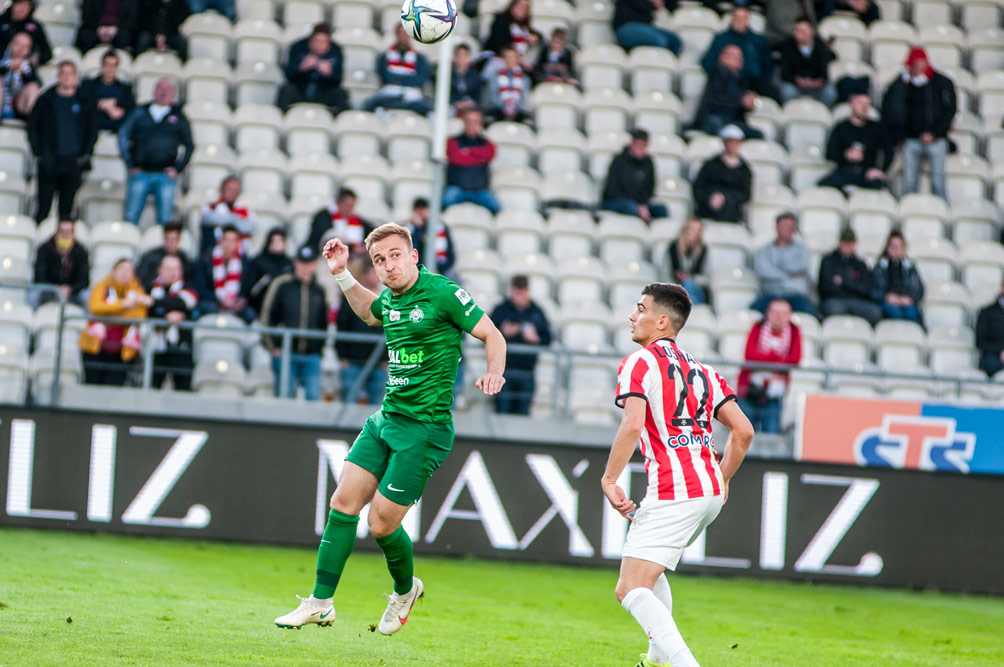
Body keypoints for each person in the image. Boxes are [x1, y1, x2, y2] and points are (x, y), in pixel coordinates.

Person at [273, 223, 506, 634]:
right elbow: (369, 311)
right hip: (386, 419)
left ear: (414, 255)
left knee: (380, 524)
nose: (388, 265)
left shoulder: (443, 293)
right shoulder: (392, 301)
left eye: (395, 255)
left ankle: (405, 590)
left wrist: (494, 373)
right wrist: (342, 273)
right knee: (342, 503)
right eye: (380, 260)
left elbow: (492, 334)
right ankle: (320, 602)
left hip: (425, 430)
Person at [602, 282, 753, 667]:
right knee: (648, 572)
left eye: (640, 309)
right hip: (707, 491)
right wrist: (723, 479)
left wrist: (609, 479)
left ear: (662, 321)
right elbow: (744, 431)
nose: (632, 316)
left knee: (629, 587)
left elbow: (632, 425)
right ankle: (654, 662)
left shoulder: (640, 362)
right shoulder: (704, 371)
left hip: (675, 488)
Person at [880, 47, 956, 201]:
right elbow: (893, 106)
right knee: (909, 184)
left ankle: (943, 213)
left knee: (938, 183)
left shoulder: (942, 83)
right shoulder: (904, 84)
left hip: (936, 140)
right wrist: (901, 80)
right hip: (911, 139)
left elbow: (950, 110)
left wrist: (936, 132)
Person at [28, 61, 96, 225]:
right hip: (49, 160)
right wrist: (39, 153)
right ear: (58, 76)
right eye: (62, 73)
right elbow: (32, 127)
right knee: (43, 208)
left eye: (70, 73)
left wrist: (84, 155)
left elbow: (92, 131)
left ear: (76, 77)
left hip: (72, 162)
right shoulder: (45, 99)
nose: (66, 77)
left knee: (66, 210)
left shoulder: (85, 101)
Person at [119, 78, 193, 226]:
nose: (164, 93)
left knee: (165, 220)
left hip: (165, 175)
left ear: (173, 95)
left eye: (168, 90)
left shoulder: (178, 116)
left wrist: (178, 168)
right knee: (131, 216)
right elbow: (123, 135)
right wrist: (130, 162)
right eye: (161, 88)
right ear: (154, 91)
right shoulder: (140, 112)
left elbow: (189, 145)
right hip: (140, 172)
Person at [260, 246, 329, 401]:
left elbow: (323, 323)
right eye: (302, 262)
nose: (305, 267)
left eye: (309, 263)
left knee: (313, 398)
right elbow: (267, 316)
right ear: (296, 263)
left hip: (311, 355)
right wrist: (272, 347)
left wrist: (318, 349)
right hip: (286, 353)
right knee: (284, 396)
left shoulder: (319, 290)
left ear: (315, 265)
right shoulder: (282, 285)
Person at [79, 258, 152, 386]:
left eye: (129, 270)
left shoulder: (137, 291)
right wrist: (124, 304)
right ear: (114, 271)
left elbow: (139, 315)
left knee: (114, 389)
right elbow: (95, 307)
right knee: (92, 387)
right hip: (95, 349)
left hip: (122, 352)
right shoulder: (101, 287)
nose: (125, 273)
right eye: (122, 269)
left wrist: (109, 310)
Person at [737, 298, 801, 434]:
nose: (779, 317)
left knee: (770, 437)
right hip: (750, 391)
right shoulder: (757, 327)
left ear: (789, 316)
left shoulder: (794, 331)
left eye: (784, 313)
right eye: (776, 313)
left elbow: (795, 359)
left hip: (774, 395)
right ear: (768, 314)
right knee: (743, 435)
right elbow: (750, 355)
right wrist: (777, 359)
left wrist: (766, 359)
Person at [489, 275, 551, 415]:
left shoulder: (536, 312)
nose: (519, 298)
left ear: (528, 292)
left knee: (523, 414)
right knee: (502, 414)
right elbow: (486, 335)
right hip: (503, 371)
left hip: (527, 372)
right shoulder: (501, 310)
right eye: (516, 293)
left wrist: (536, 338)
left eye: (522, 294)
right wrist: (502, 333)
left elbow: (547, 339)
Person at [336, 255, 387, 405]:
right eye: (373, 272)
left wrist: (388, 359)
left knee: (378, 408)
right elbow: (342, 327)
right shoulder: (351, 298)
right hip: (352, 360)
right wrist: (342, 356)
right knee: (348, 406)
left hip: (379, 362)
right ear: (364, 274)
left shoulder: (388, 299)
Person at [701, 2, 776, 100]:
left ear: (748, 20)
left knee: (773, 94)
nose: (740, 21)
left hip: (753, 82)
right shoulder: (721, 39)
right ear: (732, 19)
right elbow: (707, 62)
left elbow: (767, 66)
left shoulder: (758, 40)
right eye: (737, 18)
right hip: (726, 82)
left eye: (743, 18)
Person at [818, 92, 891, 193]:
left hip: (866, 173)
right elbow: (829, 154)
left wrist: (880, 170)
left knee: (879, 189)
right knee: (823, 186)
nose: (864, 108)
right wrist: (846, 155)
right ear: (852, 104)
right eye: (861, 104)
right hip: (844, 172)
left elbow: (889, 151)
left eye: (867, 105)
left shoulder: (876, 128)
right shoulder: (841, 127)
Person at [692, 45, 763, 139]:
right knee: (717, 124)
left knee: (757, 135)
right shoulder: (717, 75)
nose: (738, 60)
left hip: (733, 120)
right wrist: (741, 101)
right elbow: (716, 99)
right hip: (714, 117)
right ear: (722, 58)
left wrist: (750, 104)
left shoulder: (741, 80)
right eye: (733, 56)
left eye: (740, 57)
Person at [149, 254, 198, 391]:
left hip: (182, 347)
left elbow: (186, 302)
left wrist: (157, 305)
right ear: (160, 270)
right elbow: (147, 309)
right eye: (169, 268)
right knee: (153, 386)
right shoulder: (151, 288)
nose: (173, 272)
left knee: (183, 388)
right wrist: (168, 315)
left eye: (176, 268)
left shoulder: (189, 288)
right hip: (157, 347)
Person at [277, 23, 348, 116]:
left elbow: (338, 79)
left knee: (341, 94)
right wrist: (301, 68)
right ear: (310, 40)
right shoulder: (297, 47)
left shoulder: (336, 51)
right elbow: (289, 75)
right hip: (301, 89)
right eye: (317, 41)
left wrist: (328, 73)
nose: (320, 45)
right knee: (286, 89)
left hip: (323, 90)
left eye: (324, 42)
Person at [751, 212, 815, 315]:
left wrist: (776, 270)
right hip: (771, 295)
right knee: (753, 313)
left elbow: (801, 266)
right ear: (777, 227)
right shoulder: (763, 251)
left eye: (792, 226)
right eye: (786, 226)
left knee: (809, 313)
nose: (790, 229)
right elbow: (763, 271)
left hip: (795, 295)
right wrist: (790, 275)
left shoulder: (803, 249)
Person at [600, 129, 668, 222]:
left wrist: (642, 205)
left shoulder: (649, 163)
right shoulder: (619, 161)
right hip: (616, 201)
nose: (640, 149)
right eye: (637, 145)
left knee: (660, 209)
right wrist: (636, 206)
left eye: (643, 145)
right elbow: (612, 189)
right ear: (631, 144)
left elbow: (650, 188)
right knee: (631, 208)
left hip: (639, 203)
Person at [817, 228, 881, 325]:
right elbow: (826, 287)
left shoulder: (860, 264)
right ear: (839, 242)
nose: (847, 246)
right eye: (844, 242)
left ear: (854, 244)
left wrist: (843, 282)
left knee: (874, 312)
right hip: (835, 300)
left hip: (856, 302)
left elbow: (865, 290)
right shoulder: (829, 261)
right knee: (834, 309)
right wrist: (853, 285)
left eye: (850, 243)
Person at [364, 25, 431, 116]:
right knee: (370, 104)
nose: (404, 36)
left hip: (412, 95)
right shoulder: (384, 57)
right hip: (389, 93)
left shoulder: (419, 58)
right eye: (401, 33)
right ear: (396, 35)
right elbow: (386, 77)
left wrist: (397, 78)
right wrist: (409, 78)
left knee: (429, 108)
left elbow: (420, 79)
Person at [443, 109, 502, 214]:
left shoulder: (488, 144)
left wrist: (467, 152)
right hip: (458, 188)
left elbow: (489, 155)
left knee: (497, 209)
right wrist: (478, 158)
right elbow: (456, 158)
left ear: (480, 124)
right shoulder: (452, 141)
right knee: (443, 204)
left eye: (475, 122)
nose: (471, 125)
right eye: (468, 121)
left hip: (479, 191)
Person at [195, 224, 256, 322]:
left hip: (235, 303)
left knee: (250, 314)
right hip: (213, 301)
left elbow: (248, 288)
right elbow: (200, 288)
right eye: (226, 240)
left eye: (232, 241)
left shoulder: (244, 262)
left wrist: (241, 300)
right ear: (220, 241)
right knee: (206, 307)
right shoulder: (207, 260)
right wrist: (219, 299)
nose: (229, 244)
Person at [692, 124, 752, 223]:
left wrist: (725, 197)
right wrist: (710, 197)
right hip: (708, 209)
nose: (732, 145)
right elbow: (698, 188)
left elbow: (745, 194)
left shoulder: (745, 169)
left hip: (732, 212)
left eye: (735, 142)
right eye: (729, 141)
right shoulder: (710, 164)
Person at [778, 17, 836, 107]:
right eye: (797, 31)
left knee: (830, 93)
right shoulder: (788, 45)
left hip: (816, 87)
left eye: (803, 31)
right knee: (787, 92)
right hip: (795, 85)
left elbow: (824, 72)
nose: (799, 34)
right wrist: (798, 81)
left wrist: (816, 82)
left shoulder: (820, 47)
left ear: (811, 31)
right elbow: (785, 72)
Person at [33, 219, 89, 307]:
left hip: (72, 293)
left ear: (73, 234)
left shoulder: (81, 252)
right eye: (62, 231)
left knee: (86, 295)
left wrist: (70, 289)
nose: (65, 235)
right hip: (49, 291)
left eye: (69, 232)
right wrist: (56, 289)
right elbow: (40, 277)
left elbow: (84, 280)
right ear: (56, 233)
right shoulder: (44, 249)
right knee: (34, 294)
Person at [872, 230, 924, 324]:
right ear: (888, 247)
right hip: (888, 301)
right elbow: (873, 289)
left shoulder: (910, 267)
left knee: (912, 314)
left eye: (900, 246)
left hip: (906, 301)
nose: (896, 249)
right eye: (894, 246)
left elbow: (919, 289)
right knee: (895, 314)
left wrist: (909, 298)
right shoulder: (880, 267)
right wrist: (886, 297)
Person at [307, 187, 373, 256]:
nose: (350, 209)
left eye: (352, 206)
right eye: (347, 205)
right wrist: (352, 248)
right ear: (338, 203)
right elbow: (327, 237)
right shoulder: (324, 217)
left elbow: (372, 233)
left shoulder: (358, 220)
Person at [80, 49, 135, 133]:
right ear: (102, 66)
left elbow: (131, 109)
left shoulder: (125, 88)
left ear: (117, 68)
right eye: (107, 64)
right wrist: (105, 106)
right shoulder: (88, 85)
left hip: (116, 130)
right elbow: (83, 104)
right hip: (92, 129)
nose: (110, 68)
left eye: (113, 65)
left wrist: (115, 104)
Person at [199, 175, 255, 257]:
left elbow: (250, 226)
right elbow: (207, 219)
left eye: (235, 190)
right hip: (212, 252)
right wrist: (235, 219)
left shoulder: (245, 210)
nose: (232, 192)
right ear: (222, 190)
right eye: (229, 189)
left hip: (238, 254)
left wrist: (224, 219)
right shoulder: (211, 207)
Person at [243, 227, 293, 314]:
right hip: (258, 306)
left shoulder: (289, 264)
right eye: (274, 240)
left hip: (281, 308)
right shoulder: (258, 262)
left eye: (280, 240)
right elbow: (250, 288)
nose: (277, 244)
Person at [405, 197, 456, 279]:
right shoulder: (408, 230)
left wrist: (441, 268)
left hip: (439, 269)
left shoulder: (440, 228)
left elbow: (450, 253)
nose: (420, 212)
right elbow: (412, 250)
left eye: (423, 209)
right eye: (418, 209)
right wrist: (418, 229)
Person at [136, 220, 194, 291]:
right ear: (164, 238)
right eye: (168, 239)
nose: (171, 243)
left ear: (179, 239)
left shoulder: (184, 259)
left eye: (174, 239)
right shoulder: (151, 257)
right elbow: (141, 279)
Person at [482, 44, 532, 126]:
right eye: (507, 57)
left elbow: (524, 99)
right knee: (489, 119)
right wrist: (505, 108)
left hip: (517, 111)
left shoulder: (525, 79)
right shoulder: (494, 76)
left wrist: (514, 108)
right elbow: (492, 96)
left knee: (527, 122)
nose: (509, 60)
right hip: (498, 109)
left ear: (517, 59)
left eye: (512, 57)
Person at [482, 0, 542, 68]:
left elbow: (539, 36)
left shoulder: (524, 27)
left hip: (520, 63)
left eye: (526, 7)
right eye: (520, 6)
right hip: (501, 61)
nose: (522, 9)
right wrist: (518, 59)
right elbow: (499, 44)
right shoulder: (501, 21)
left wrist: (536, 37)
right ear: (513, 6)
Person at [612, 0, 681, 55]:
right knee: (660, 41)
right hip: (626, 27)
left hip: (646, 27)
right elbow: (640, 4)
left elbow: (671, 6)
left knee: (674, 41)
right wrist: (652, 3)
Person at [667, 218, 708, 306]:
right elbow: (665, 274)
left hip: (695, 289)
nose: (694, 233)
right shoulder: (673, 248)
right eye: (692, 230)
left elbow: (707, 278)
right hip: (675, 289)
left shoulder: (703, 250)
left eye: (698, 231)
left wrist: (691, 278)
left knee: (688, 286)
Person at [1, 32, 41, 121]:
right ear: (10, 44)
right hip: (2, 102)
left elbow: (37, 83)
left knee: (33, 87)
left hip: (18, 106)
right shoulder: (2, 60)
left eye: (25, 46)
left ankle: (32, 124)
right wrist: (8, 68)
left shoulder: (28, 66)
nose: (21, 48)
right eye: (18, 43)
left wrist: (24, 73)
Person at [0, 0, 51, 65]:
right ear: (13, 4)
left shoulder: (35, 26)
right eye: (20, 4)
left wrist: (31, 60)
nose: (23, 8)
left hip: (25, 68)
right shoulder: (1, 21)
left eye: (27, 5)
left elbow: (47, 53)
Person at [975, 277, 1004, 377]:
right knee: (991, 364)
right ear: (1002, 287)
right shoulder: (986, 312)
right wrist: (1000, 352)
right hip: (993, 358)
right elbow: (980, 341)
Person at [449, 43, 481, 116]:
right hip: (452, 105)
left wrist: (471, 102)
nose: (461, 59)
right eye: (459, 55)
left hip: (470, 106)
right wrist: (455, 102)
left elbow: (478, 94)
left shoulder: (475, 75)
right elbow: (445, 92)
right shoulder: (448, 74)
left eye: (464, 56)